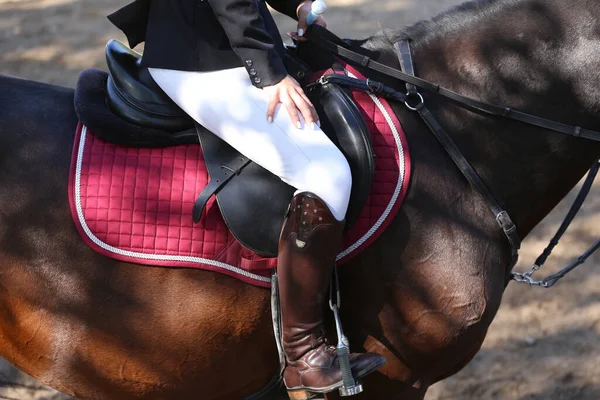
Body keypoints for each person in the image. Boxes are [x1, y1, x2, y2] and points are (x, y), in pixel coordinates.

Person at [107, 0, 386, 396]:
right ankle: (304, 356)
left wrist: (300, 6)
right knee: (326, 174)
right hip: (201, 61)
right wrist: (270, 74)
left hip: (228, 46)